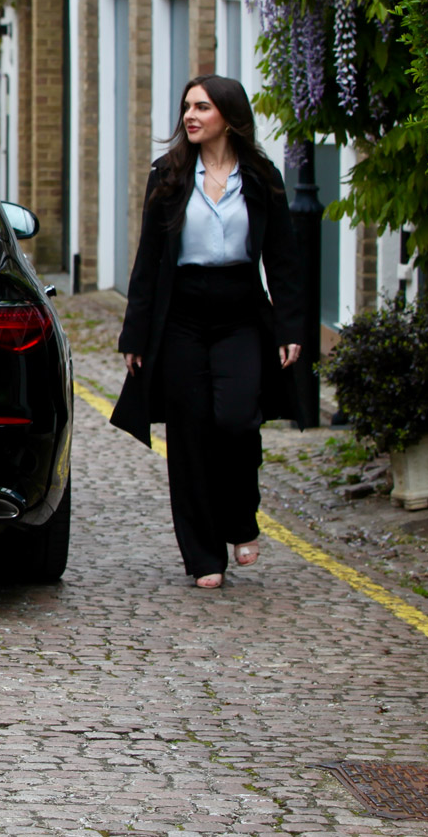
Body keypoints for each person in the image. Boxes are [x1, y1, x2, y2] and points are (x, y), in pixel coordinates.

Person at [110, 74, 305, 588]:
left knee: (238, 420)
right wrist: (135, 336)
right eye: (187, 108)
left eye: (201, 107)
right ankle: (202, 556)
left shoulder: (261, 178)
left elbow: (283, 259)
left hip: (241, 312)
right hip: (181, 318)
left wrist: (289, 326)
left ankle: (241, 519)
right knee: (190, 434)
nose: (190, 116)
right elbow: (148, 261)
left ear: (228, 116)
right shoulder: (169, 176)